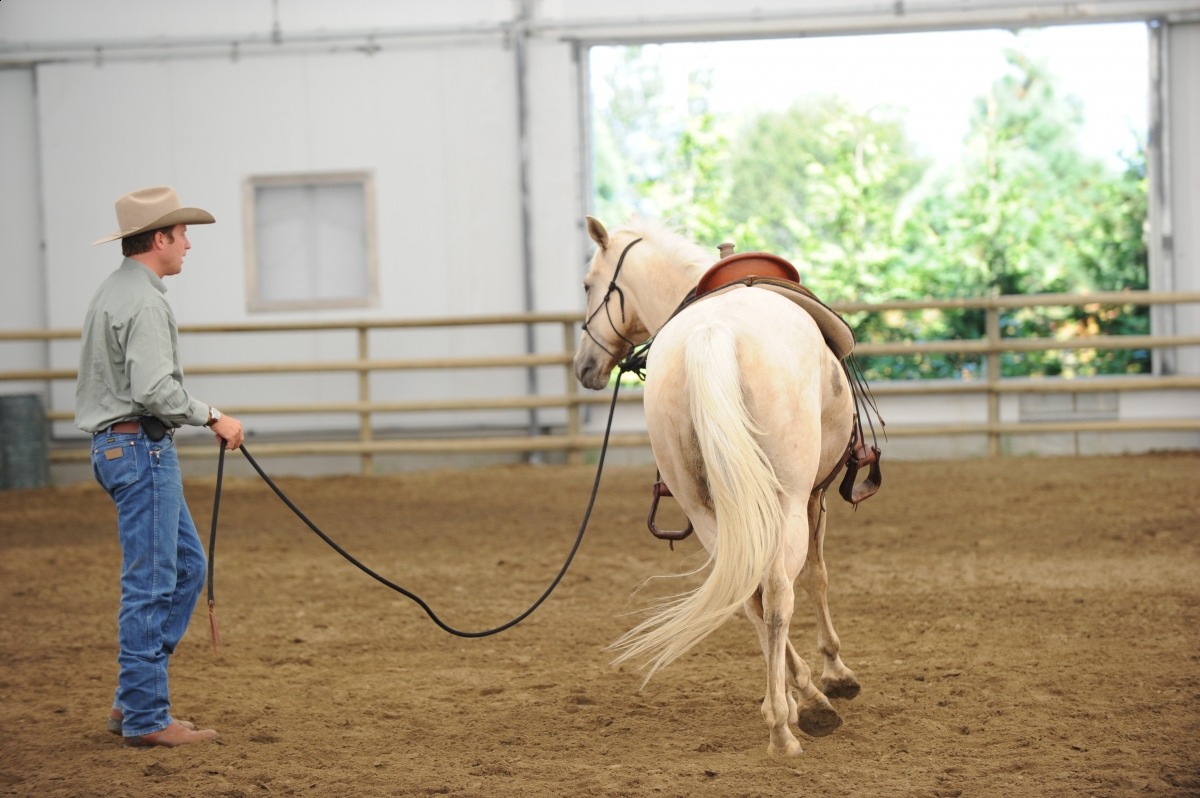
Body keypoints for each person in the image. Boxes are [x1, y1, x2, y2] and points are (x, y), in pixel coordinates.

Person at [77, 186, 245, 748]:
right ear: (159, 239)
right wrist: (213, 416)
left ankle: (135, 700)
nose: (188, 246)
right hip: (141, 449)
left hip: (121, 448)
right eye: (182, 235)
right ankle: (147, 716)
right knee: (152, 583)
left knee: (186, 567)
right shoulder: (145, 302)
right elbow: (155, 391)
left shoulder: (113, 293)